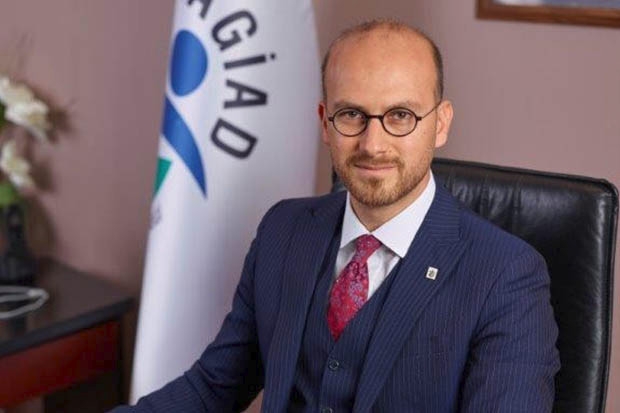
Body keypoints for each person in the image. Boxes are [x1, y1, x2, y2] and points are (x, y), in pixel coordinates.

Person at [112, 19, 560, 412]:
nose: (372, 144)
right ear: (325, 121)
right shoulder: (283, 231)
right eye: (351, 114)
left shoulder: (506, 275)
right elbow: (213, 388)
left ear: (440, 124)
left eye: (400, 115)